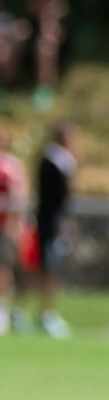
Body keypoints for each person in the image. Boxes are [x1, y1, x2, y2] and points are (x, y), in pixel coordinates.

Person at [32, 120, 77, 338]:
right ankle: (45, 313)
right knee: (47, 266)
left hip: (55, 222)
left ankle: (47, 312)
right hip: (49, 223)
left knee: (51, 266)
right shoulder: (54, 160)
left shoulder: (62, 160)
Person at [0, 122, 25, 334]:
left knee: (3, 268)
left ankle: (3, 310)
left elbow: (17, 198)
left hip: (3, 226)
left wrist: (14, 225)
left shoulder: (10, 166)